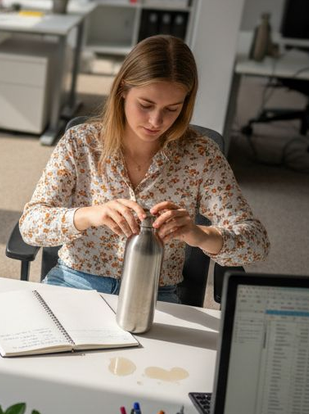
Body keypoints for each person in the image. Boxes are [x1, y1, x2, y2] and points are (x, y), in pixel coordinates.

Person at [19, 35, 268, 302]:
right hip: (75, 282)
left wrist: (199, 234)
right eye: (146, 105)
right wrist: (90, 215)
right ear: (123, 89)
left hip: (155, 295)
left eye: (172, 109)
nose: (156, 121)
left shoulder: (201, 155)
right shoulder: (80, 143)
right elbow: (31, 227)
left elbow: (256, 243)